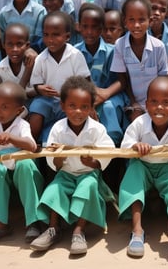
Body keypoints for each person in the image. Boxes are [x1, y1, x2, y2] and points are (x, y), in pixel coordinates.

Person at [30, 76, 115, 254]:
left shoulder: (96, 129)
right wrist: (59, 158)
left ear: (91, 108)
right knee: (54, 189)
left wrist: (92, 162)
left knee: (88, 186)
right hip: (66, 174)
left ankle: (79, 230)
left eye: (84, 107)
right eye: (72, 106)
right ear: (63, 106)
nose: (78, 111)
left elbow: (108, 151)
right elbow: (53, 161)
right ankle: (53, 228)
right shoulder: (58, 129)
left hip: (88, 173)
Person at [118, 76, 168, 259]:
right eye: (154, 102)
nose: (159, 107)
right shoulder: (139, 124)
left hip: (165, 167)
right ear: (146, 104)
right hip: (142, 166)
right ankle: (137, 232)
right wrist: (135, 146)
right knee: (134, 174)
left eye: (166, 102)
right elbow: (124, 146)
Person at [0, 82, 44, 246]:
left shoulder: (22, 125)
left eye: (4, 107)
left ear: (18, 111)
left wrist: (10, 138)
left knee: (25, 165)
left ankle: (33, 222)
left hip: (20, 169)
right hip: (1, 169)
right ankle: (1, 225)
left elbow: (31, 146)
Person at [28, 11, 90, 144]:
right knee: (37, 106)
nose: (50, 39)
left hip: (70, 101)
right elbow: (35, 85)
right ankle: (30, 144)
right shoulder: (41, 59)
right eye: (46, 35)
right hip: (48, 101)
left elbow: (86, 83)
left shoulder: (75, 55)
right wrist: (40, 89)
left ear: (67, 36)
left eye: (56, 35)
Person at [75, 3, 128, 146]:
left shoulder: (113, 51)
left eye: (95, 27)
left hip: (110, 95)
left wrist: (105, 93)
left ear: (101, 29)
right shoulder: (74, 52)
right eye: (85, 27)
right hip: (85, 96)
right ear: (78, 27)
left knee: (108, 107)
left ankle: (112, 146)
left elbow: (122, 81)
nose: (89, 32)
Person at [110, 0, 168, 121]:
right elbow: (123, 79)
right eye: (131, 20)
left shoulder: (158, 47)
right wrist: (134, 104)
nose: (136, 25)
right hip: (130, 100)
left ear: (150, 21)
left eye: (142, 20)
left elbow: (162, 80)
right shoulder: (120, 45)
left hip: (155, 101)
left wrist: (152, 105)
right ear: (125, 22)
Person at [0, 23, 36, 98]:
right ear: (3, 45)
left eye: (19, 44)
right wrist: (28, 70)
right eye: (10, 44)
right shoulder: (1, 69)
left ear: (27, 46)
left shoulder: (36, 63)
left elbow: (39, 91)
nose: (15, 49)